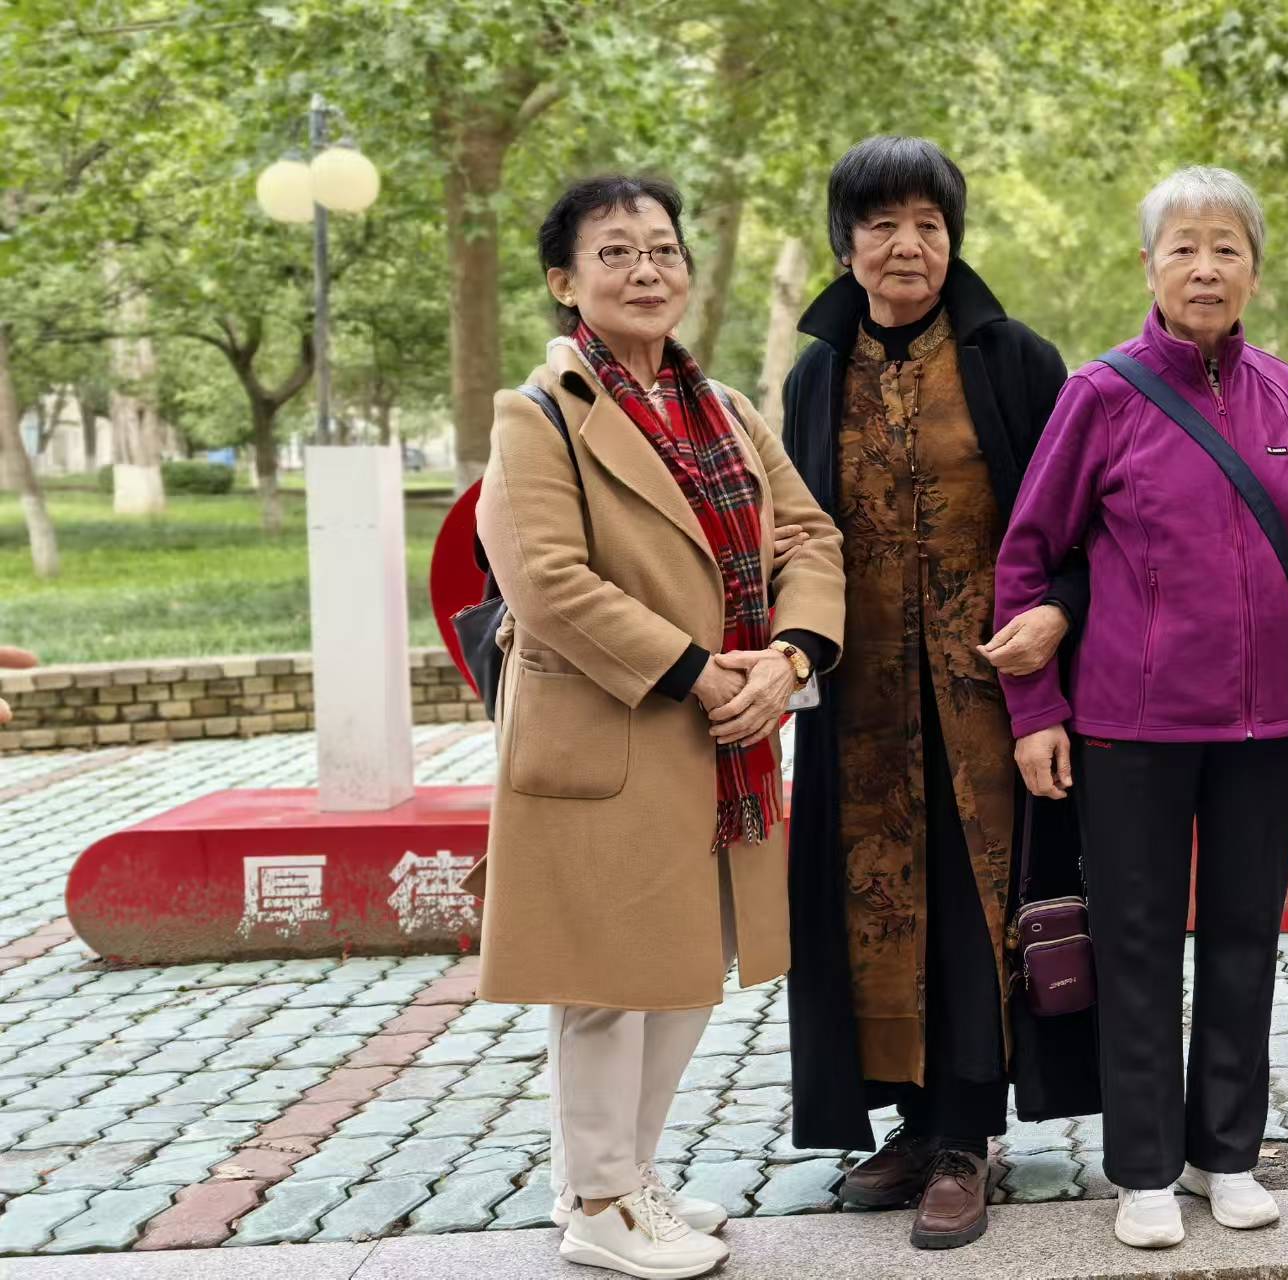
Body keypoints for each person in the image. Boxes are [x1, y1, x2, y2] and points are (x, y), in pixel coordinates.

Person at [479, 174, 844, 1280]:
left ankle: (622, 1174)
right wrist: (697, 673)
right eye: (615, 252)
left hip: (724, 732)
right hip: (614, 731)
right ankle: (600, 1200)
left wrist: (789, 657)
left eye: (663, 249)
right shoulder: (537, 412)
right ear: (564, 281)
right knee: (606, 978)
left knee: (687, 967)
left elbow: (808, 537)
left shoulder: (724, 408)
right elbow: (548, 581)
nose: (646, 270)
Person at [775, 135, 1100, 1253]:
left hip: (988, 697)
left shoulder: (1015, 362)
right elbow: (795, 533)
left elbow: (1082, 523)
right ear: (846, 245)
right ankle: (911, 1125)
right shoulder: (815, 375)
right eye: (881, 225)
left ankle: (968, 1134)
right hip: (859, 701)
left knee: (975, 905)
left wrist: (1059, 613)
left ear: (953, 238)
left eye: (928, 223)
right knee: (871, 907)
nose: (906, 244)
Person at [992, 166, 1288, 1250]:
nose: (1205, 267)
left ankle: (1226, 1152)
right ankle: (1141, 1167)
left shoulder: (1283, 391)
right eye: (1183, 247)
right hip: (1130, 725)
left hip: (1267, 723)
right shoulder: (1102, 393)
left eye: (1227, 247)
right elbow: (1027, 557)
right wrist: (1033, 709)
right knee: (1135, 945)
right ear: (1148, 265)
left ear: (1254, 269)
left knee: (1244, 939)